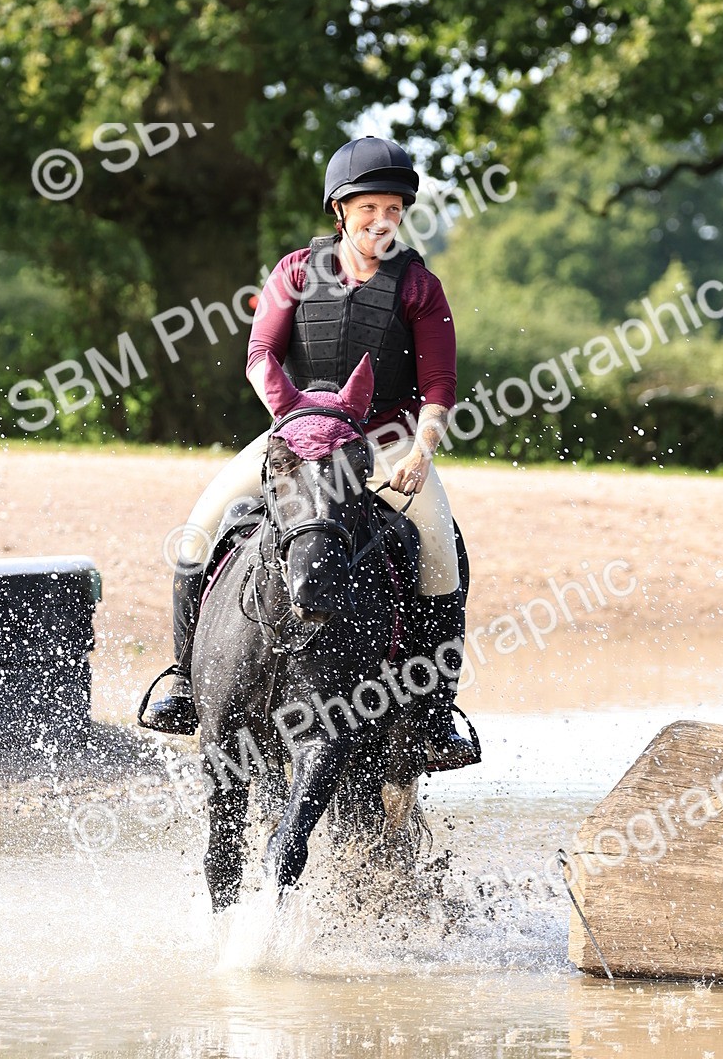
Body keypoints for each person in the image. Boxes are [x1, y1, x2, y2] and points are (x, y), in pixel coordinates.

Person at [142, 135, 474, 770]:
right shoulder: (295, 271)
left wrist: (423, 450)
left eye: (395, 209)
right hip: (296, 432)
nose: (384, 221)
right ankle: (185, 684)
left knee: (442, 553)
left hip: (384, 442)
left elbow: (438, 386)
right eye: (370, 207)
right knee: (197, 532)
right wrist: (295, 421)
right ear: (341, 210)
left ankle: (434, 716)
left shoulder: (419, 287)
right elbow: (261, 355)